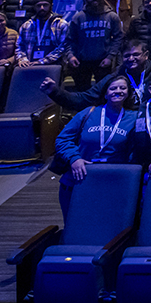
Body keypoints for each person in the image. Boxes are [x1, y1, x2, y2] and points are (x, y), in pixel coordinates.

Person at [53, 74, 137, 219]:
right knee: (76, 224)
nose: (118, 91)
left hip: (112, 181)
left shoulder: (133, 117)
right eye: (113, 88)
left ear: (128, 92)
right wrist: (74, 158)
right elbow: (62, 139)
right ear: (105, 93)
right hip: (79, 179)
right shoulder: (88, 113)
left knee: (106, 224)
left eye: (122, 88)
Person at [66, 0, 123, 89]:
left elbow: (118, 38)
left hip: (103, 61)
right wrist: (71, 56)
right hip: (81, 61)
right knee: (82, 92)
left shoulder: (112, 16)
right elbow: (70, 40)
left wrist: (110, 57)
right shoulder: (78, 17)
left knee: (103, 92)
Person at [15, 0, 70, 66]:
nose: (42, 8)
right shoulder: (26, 25)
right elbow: (20, 46)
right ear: (34, 7)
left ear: (51, 6)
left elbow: (63, 46)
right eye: (38, 6)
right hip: (30, 65)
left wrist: (43, 61)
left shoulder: (61, 24)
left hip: (54, 65)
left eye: (45, 5)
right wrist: (23, 59)